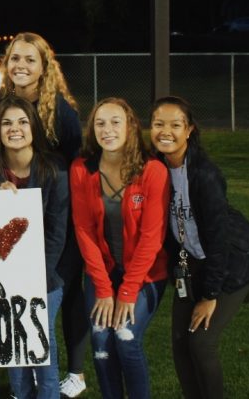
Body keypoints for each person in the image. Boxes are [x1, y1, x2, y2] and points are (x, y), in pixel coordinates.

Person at [0, 32, 88, 398]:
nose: (21, 66)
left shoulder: (63, 114)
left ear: (44, 66)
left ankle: (67, 377)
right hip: (8, 248)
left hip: (56, 227)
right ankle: (19, 391)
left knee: (43, 320)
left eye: (30, 59)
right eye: (15, 59)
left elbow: (75, 170)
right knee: (11, 328)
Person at [150, 96, 249, 399]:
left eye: (175, 124)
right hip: (190, 263)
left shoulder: (205, 174)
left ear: (189, 130)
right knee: (180, 343)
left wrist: (209, 296)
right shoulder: (154, 168)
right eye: (158, 124)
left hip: (231, 262)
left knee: (201, 343)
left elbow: (217, 240)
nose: (166, 131)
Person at [70, 98, 169, 399]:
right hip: (103, 273)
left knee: (125, 338)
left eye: (115, 122)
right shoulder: (81, 169)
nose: (107, 129)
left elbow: (152, 238)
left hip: (145, 274)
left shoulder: (152, 170)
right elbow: (84, 232)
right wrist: (103, 288)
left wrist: (126, 292)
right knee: (101, 342)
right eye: (100, 123)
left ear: (130, 127)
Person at [0, 96, 69, 399]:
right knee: (10, 339)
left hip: (46, 274)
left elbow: (57, 230)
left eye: (22, 122)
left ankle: (49, 395)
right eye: (6, 123)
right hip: (1, 275)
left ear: (33, 127)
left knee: (40, 338)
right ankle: (20, 394)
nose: (15, 129)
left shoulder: (54, 169)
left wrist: (37, 279)